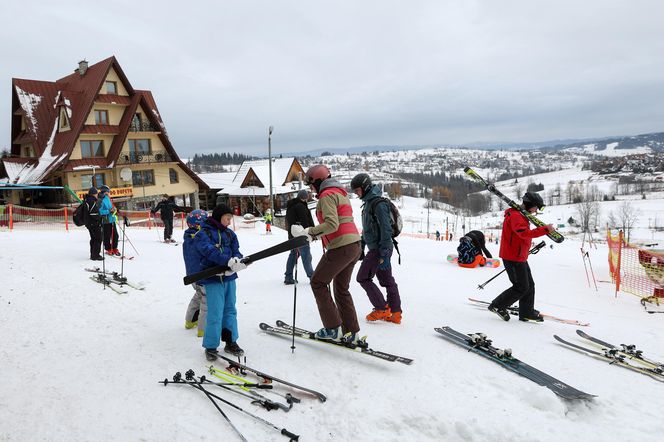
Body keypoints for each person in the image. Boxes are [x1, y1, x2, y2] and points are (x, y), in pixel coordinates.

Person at [290, 164, 364, 345]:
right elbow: (339, 223)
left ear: (318, 181)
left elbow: (332, 225)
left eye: (311, 184)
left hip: (341, 246)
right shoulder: (340, 193)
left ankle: (332, 329)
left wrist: (310, 232)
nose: (311, 188)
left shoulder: (326, 195)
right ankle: (351, 332)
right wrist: (314, 235)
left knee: (318, 282)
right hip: (354, 245)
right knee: (341, 289)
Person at [185, 203, 248, 361]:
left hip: (229, 278)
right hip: (213, 279)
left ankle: (231, 341)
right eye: (227, 218)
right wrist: (226, 260)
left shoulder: (230, 234)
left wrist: (237, 261)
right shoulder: (203, 233)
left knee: (230, 310)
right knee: (214, 312)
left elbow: (236, 250)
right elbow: (207, 250)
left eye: (230, 219)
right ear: (220, 216)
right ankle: (211, 346)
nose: (229, 222)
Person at [488, 192, 555, 322]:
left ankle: (526, 312)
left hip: (519, 256)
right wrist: (545, 230)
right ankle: (497, 306)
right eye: (537, 207)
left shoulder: (521, 215)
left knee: (529, 285)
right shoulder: (516, 216)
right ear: (530, 204)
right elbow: (524, 234)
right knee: (521, 287)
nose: (536, 211)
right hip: (513, 257)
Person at [351, 173, 403, 325]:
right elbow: (368, 229)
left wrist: (385, 252)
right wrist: (362, 245)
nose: (356, 193)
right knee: (387, 280)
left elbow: (386, 229)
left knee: (362, 277)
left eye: (358, 190)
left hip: (380, 249)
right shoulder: (368, 203)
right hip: (377, 248)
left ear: (366, 187)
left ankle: (381, 309)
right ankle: (395, 313)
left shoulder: (378, 204)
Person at [182, 209, 209, 338]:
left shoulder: (188, 238)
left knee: (198, 296)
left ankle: (190, 320)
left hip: (192, 276)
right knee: (206, 301)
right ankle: (204, 329)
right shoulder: (200, 239)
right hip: (202, 275)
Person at [283, 189, 315, 284]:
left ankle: (288, 277)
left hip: (293, 235)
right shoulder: (300, 207)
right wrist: (311, 232)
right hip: (301, 236)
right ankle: (312, 277)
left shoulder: (291, 206)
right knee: (306, 256)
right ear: (305, 197)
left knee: (293, 255)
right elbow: (305, 222)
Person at [98, 185, 120, 256]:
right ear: (104, 192)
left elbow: (112, 207)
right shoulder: (100, 199)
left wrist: (114, 209)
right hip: (105, 220)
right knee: (106, 235)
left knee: (115, 235)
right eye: (108, 192)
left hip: (112, 219)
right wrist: (108, 211)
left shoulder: (108, 198)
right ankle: (108, 248)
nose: (109, 193)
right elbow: (100, 211)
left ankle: (114, 248)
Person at [84, 187, 103, 261]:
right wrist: (99, 217)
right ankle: (96, 255)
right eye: (96, 194)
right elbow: (93, 213)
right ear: (94, 194)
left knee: (93, 239)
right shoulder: (91, 201)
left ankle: (93, 254)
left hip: (89, 223)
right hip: (94, 223)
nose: (97, 195)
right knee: (98, 239)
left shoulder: (87, 200)